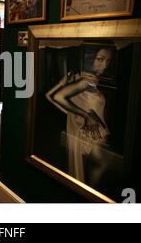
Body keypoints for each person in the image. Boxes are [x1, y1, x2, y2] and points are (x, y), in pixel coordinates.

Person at [45, 44, 115, 187]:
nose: (105, 65)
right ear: (89, 58)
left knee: (95, 166)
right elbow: (56, 97)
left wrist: (71, 112)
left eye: (108, 61)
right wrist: (84, 116)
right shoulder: (85, 80)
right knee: (100, 164)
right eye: (100, 59)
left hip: (90, 131)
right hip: (90, 132)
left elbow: (51, 96)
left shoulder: (87, 78)